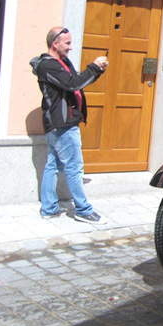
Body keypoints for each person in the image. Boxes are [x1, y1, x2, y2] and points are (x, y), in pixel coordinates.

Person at [30, 27, 109, 223]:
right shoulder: (47, 66)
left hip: (61, 124)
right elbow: (72, 84)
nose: (71, 47)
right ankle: (83, 210)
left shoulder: (62, 62)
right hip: (61, 125)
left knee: (53, 165)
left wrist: (97, 71)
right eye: (67, 43)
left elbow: (77, 83)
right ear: (54, 43)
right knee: (74, 167)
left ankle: (48, 208)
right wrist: (94, 66)